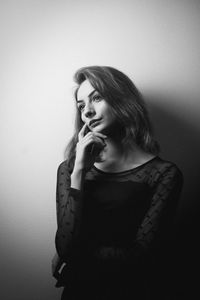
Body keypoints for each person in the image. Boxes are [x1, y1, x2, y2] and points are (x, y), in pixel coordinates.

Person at [52, 66, 183, 300]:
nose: (88, 112)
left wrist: (76, 254)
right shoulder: (70, 169)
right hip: (79, 292)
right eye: (81, 106)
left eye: (96, 98)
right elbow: (65, 245)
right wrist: (80, 170)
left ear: (121, 100)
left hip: (133, 291)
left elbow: (142, 255)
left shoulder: (164, 174)